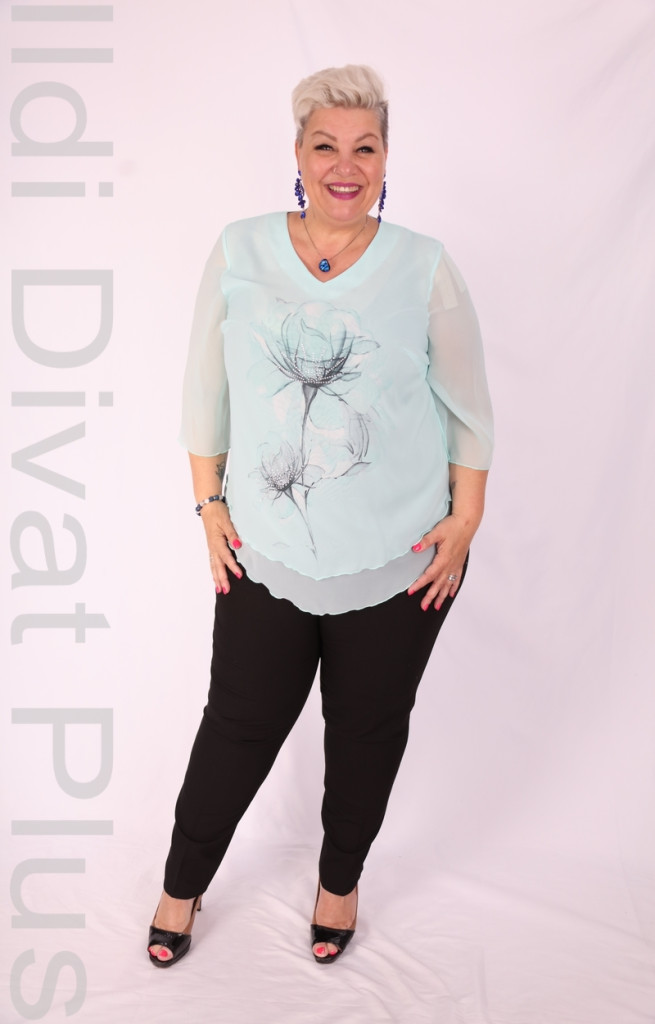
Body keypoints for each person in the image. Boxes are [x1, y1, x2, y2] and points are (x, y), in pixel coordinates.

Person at [147, 64, 493, 968]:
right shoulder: (240, 249)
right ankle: (181, 885)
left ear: (386, 159)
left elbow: (468, 409)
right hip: (264, 556)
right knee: (238, 727)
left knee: (367, 733)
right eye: (326, 146)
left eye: (364, 148)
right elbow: (204, 390)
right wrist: (208, 504)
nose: (346, 166)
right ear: (298, 155)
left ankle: (339, 884)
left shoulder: (423, 266)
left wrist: (465, 520)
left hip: (399, 562)